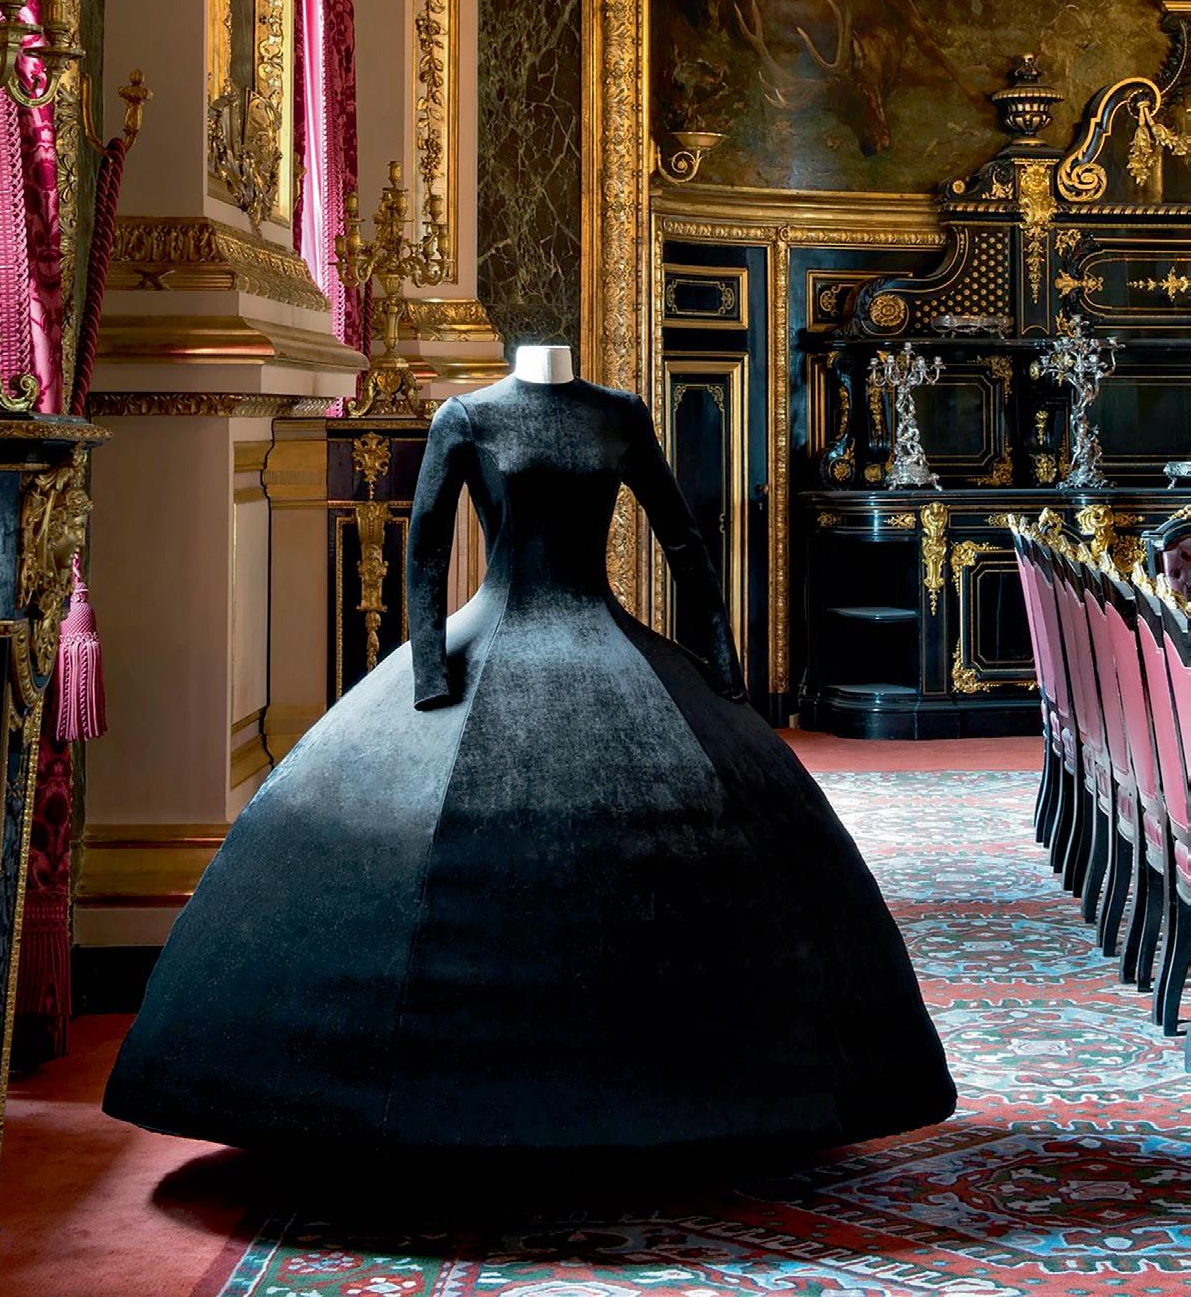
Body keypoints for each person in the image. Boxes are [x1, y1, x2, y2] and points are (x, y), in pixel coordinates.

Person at [104, 348, 955, 1166]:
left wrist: (723, 669)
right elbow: (427, 546)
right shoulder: (467, 416)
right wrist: (431, 672)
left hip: (606, 631)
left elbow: (682, 539)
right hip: (488, 636)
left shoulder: (618, 415)